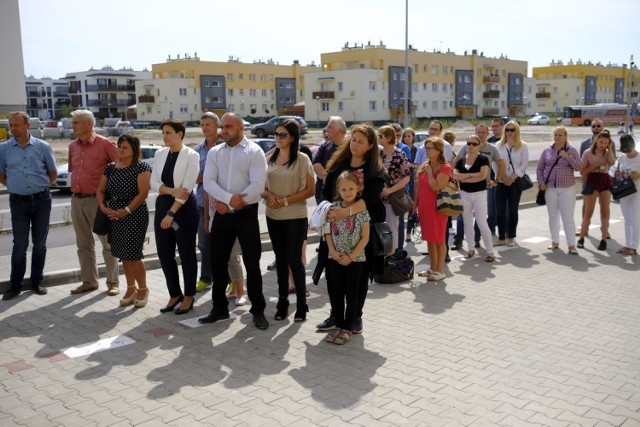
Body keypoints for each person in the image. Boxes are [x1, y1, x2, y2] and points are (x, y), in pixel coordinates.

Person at [200, 113, 269, 330]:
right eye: (222, 127)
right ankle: (219, 308)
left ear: (241, 128)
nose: (223, 130)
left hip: (246, 214)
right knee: (217, 263)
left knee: (252, 262)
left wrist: (229, 203)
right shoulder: (215, 152)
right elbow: (208, 182)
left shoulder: (254, 151)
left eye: (228, 126)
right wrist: (228, 201)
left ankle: (258, 310)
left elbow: (258, 185)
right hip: (221, 214)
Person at [317, 124, 385, 334]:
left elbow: (371, 200)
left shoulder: (375, 170)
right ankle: (336, 315)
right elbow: (325, 191)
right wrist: (328, 210)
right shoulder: (339, 164)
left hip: (361, 230)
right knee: (333, 275)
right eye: (353, 139)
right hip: (334, 228)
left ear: (370, 146)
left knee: (358, 277)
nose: (355, 144)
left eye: (360, 141)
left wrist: (346, 213)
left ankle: (355, 316)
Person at [261, 119, 315, 322]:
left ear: (292, 137)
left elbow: (310, 191)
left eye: (282, 135)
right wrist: (267, 196)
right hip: (273, 216)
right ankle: (282, 301)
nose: (277, 138)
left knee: (295, 261)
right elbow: (260, 186)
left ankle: (302, 303)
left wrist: (284, 201)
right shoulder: (269, 158)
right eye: (275, 134)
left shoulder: (302, 159)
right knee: (281, 261)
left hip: (295, 217)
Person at [0, 112, 57, 301]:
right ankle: (15, 286)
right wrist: (16, 186)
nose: (13, 129)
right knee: (20, 245)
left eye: (16, 125)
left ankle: (37, 282)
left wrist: (38, 188)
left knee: (40, 244)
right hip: (18, 202)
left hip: (42, 200)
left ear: (27, 125)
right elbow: (1, 174)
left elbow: (52, 173)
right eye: (11, 125)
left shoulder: (43, 147)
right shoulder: (4, 149)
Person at [68, 110, 120, 296]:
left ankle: (113, 282)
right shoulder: (72, 146)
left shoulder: (105, 144)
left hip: (98, 202)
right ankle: (89, 282)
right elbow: (73, 171)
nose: (72, 126)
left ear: (89, 125)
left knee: (108, 244)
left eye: (76, 122)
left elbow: (121, 169)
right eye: (73, 122)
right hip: (77, 200)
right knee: (83, 245)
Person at [96, 135, 151, 308]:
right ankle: (130, 288)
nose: (120, 149)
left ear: (134, 149)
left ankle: (143, 289)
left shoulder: (141, 167)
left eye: (125, 147)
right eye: (119, 146)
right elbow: (100, 190)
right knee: (123, 255)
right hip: (114, 215)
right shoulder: (111, 168)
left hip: (134, 215)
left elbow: (143, 194)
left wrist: (125, 211)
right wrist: (103, 207)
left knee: (133, 255)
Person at [152, 119, 200, 315]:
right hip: (163, 204)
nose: (164, 136)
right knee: (164, 254)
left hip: (184, 210)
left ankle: (189, 295)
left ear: (180, 134)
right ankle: (174, 294)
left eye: (168, 132)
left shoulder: (192, 155)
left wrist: (172, 213)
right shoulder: (160, 153)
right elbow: (154, 183)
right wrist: (171, 191)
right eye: (163, 132)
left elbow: (187, 189)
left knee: (187, 254)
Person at [324, 171, 370, 345]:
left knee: (352, 293)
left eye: (351, 188)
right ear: (338, 190)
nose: (348, 192)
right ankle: (338, 325)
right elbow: (327, 231)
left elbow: (365, 237)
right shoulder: (333, 207)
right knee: (336, 292)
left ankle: (347, 328)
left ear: (357, 188)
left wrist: (351, 256)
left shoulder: (361, 209)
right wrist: (333, 252)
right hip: (335, 258)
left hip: (355, 260)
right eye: (343, 189)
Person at [452, 124, 504, 248]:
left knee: (481, 219)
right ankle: (459, 240)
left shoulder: (491, 148)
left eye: (483, 132)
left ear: (487, 134)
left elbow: (501, 165)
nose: (481, 134)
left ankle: (477, 240)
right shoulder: (466, 147)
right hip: (465, 190)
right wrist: (466, 177)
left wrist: (496, 180)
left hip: (483, 187)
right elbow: (454, 166)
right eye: (478, 132)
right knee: (463, 218)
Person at [536, 126, 583, 254]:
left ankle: (571, 245)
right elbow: (540, 168)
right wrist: (541, 183)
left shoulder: (571, 150)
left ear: (565, 136)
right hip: (550, 188)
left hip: (567, 188)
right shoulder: (547, 151)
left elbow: (579, 167)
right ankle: (555, 241)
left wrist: (567, 157)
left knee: (567, 216)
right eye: (556, 135)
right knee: (553, 215)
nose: (557, 137)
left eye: (560, 135)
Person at [311, 117, 347, 285]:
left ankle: (337, 264)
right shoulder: (325, 146)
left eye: (329, 127)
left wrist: (332, 181)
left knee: (339, 231)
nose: (326, 130)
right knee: (326, 233)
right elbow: (316, 162)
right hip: (324, 198)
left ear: (340, 130)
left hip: (342, 200)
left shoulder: (348, 148)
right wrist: (327, 177)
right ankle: (324, 268)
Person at [453, 135, 495, 262]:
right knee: (467, 222)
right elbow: (454, 175)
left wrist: (463, 177)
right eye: (469, 143)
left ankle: (490, 251)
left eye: (474, 144)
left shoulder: (483, 159)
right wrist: (472, 175)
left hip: (479, 194)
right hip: (464, 193)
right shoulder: (460, 161)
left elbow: (482, 177)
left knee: (482, 222)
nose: (471, 146)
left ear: (479, 146)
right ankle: (470, 249)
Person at [414, 137, 451, 281]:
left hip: (438, 208)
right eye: (426, 148)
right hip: (424, 207)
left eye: (430, 148)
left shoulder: (445, 167)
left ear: (439, 150)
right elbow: (419, 188)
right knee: (429, 239)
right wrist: (414, 206)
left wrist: (430, 173)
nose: (426, 151)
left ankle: (440, 270)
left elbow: (436, 186)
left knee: (439, 239)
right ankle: (432, 268)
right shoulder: (424, 165)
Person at [577, 130, 615, 251]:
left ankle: (603, 239)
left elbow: (613, 163)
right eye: (601, 141)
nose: (602, 144)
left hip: (605, 180)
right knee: (589, 212)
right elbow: (582, 171)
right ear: (596, 140)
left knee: (605, 212)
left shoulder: (607, 152)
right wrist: (596, 164)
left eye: (605, 142)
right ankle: (581, 238)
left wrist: (609, 149)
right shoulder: (588, 152)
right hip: (592, 180)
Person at [194, 112, 220, 293]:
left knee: (224, 245)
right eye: (202, 125)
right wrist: (207, 177)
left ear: (216, 126)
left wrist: (206, 177)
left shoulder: (225, 147)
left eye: (208, 125)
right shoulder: (197, 150)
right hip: (202, 205)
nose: (204, 128)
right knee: (204, 244)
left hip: (222, 204)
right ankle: (206, 278)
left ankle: (229, 279)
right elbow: (193, 178)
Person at [494, 121, 530, 247]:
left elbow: (524, 163)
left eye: (512, 130)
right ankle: (501, 237)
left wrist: (513, 178)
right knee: (500, 211)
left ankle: (511, 236)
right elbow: (494, 163)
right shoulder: (498, 145)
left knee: (512, 210)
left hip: (515, 182)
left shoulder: (523, 145)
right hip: (501, 181)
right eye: (507, 130)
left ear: (517, 131)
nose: (509, 132)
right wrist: (503, 178)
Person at [378, 125, 411, 255]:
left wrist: (390, 190)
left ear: (389, 137)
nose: (378, 138)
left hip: (392, 198)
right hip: (378, 198)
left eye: (381, 136)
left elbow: (406, 178)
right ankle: (382, 254)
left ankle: (391, 256)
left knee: (392, 228)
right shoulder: (379, 154)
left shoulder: (399, 154)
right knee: (380, 227)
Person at [611, 135, 640, 256]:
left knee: (635, 219)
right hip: (624, 192)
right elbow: (612, 170)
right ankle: (628, 244)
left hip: (637, 192)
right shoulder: (622, 158)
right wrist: (616, 173)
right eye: (626, 151)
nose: (628, 153)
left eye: (629, 150)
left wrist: (639, 174)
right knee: (627, 219)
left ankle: (633, 246)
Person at [401, 128, 419, 243]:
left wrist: (411, 165)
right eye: (405, 136)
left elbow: (418, 165)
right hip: (402, 183)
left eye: (409, 136)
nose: (407, 138)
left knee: (413, 209)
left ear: (413, 137)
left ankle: (408, 233)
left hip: (413, 183)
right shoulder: (401, 149)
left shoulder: (416, 150)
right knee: (402, 209)